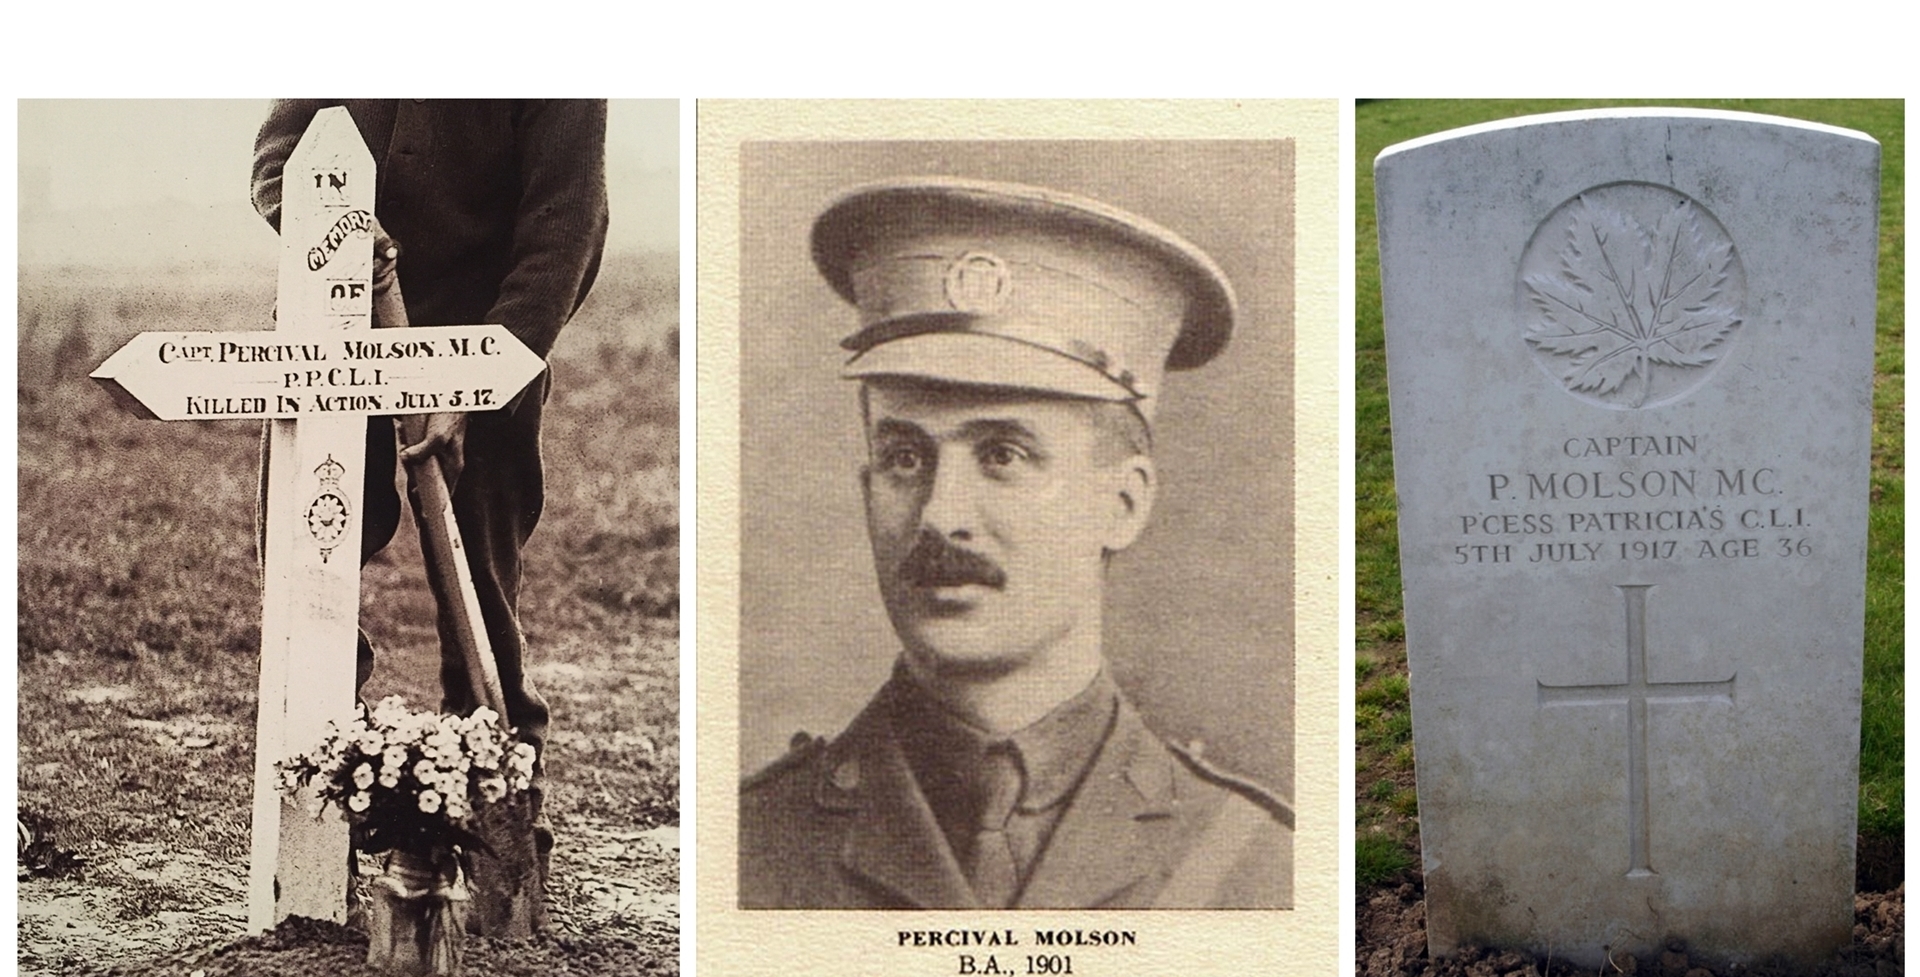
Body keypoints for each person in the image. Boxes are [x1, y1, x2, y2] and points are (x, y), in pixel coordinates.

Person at [738, 177, 1293, 909]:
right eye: (905, 456)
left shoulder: (1258, 868)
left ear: (1122, 505)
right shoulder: (746, 847)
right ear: (867, 484)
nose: (941, 515)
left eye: (1003, 454)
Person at [251, 100, 610, 892]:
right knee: (303, 583)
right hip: (328, 342)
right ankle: (317, 835)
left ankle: (499, 835)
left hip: (479, 348)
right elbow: (278, 161)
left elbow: (567, 224)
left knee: (480, 595)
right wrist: (341, 233)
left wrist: (479, 382)